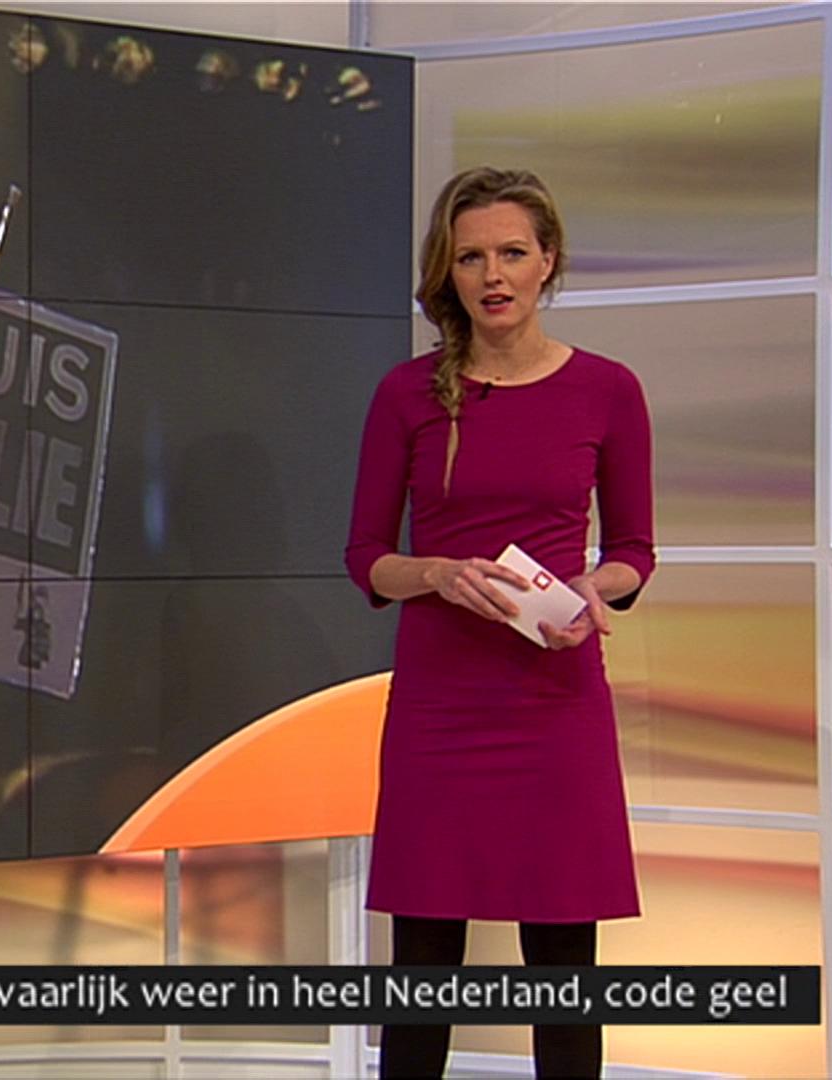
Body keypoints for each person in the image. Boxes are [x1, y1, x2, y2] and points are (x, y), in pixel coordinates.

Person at [343, 166, 655, 1079]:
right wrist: (437, 572)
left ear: (548, 260)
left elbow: (635, 548)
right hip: (441, 706)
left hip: (555, 702)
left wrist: (594, 587)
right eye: (471, 256)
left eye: (512, 253)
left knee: (563, 965)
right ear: (449, 271)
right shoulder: (406, 394)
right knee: (423, 962)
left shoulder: (607, 390)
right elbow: (366, 556)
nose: (493, 275)